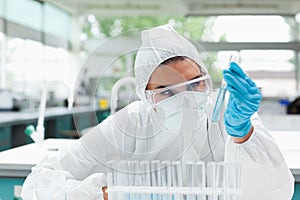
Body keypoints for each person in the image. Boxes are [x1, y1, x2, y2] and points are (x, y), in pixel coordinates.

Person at [21, 24, 294, 200]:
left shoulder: (230, 114)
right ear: (146, 96)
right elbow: (40, 182)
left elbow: (277, 191)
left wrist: (243, 135)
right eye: (167, 91)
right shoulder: (129, 123)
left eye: (196, 83)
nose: (186, 99)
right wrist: (100, 194)